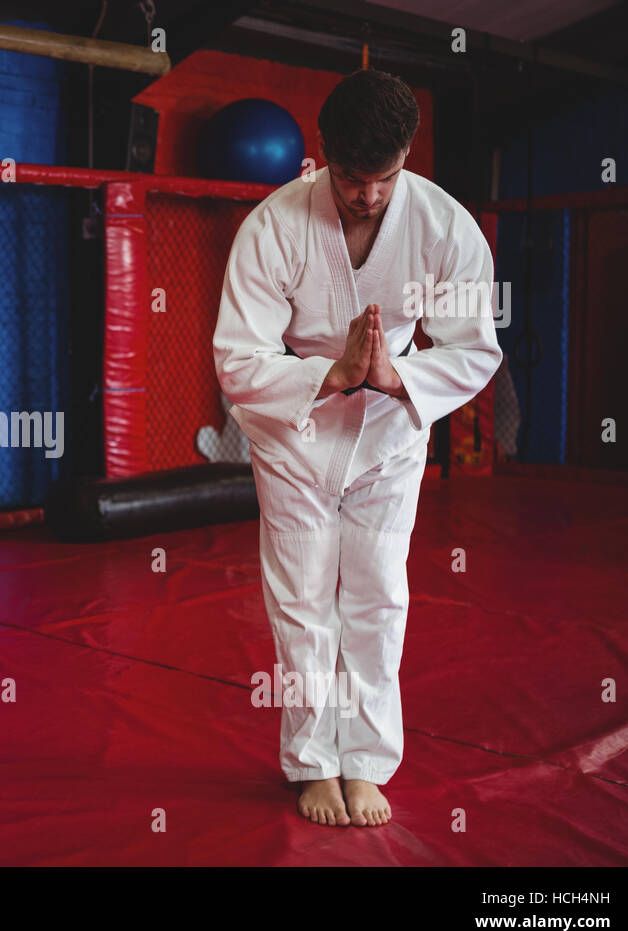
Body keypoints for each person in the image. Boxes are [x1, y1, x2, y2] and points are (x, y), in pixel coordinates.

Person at [212, 70, 503, 826]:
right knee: (303, 602)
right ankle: (313, 764)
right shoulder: (273, 226)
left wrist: (395, 374)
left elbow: (475, 349)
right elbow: (238, 358)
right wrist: (327, 373)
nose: (368, 194)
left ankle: (367, 763)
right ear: (321, 154)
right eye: (350, 176)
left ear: (408, 155)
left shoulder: (444, 228)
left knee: (378, 599)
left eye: (385, 176)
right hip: (295, 432)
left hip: (390, 431)